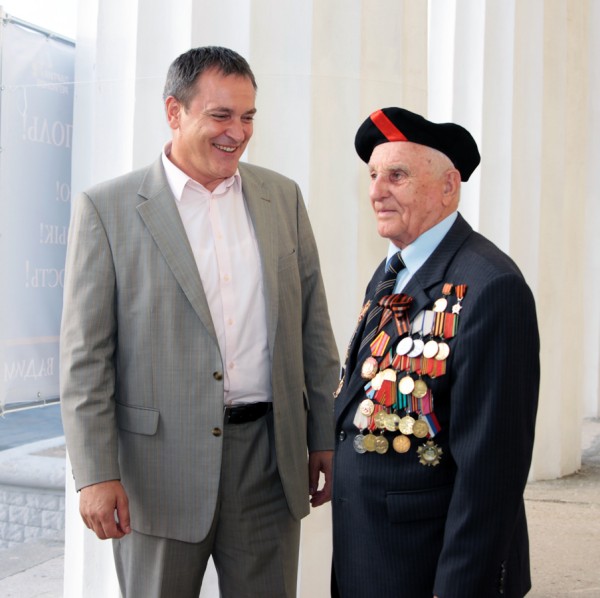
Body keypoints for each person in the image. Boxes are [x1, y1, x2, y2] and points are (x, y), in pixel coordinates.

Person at [60, 46, 339, 598]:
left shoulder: (282, 198)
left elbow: (313, 326)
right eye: (221, 115)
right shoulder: (107, 209)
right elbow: (85, 359)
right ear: (174, 111)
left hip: (269, 463)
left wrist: (323, 434)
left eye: (248, 116)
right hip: (156, 475)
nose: (237, 132)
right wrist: (95, 473)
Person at [331, 107, 540, 598]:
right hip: (372, 556)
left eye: (397, 176)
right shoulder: (394, 271)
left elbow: (490, 477)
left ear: (449, 186)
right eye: (373, 175)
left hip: (428, 568)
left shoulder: (491, 287)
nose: (376, 192)